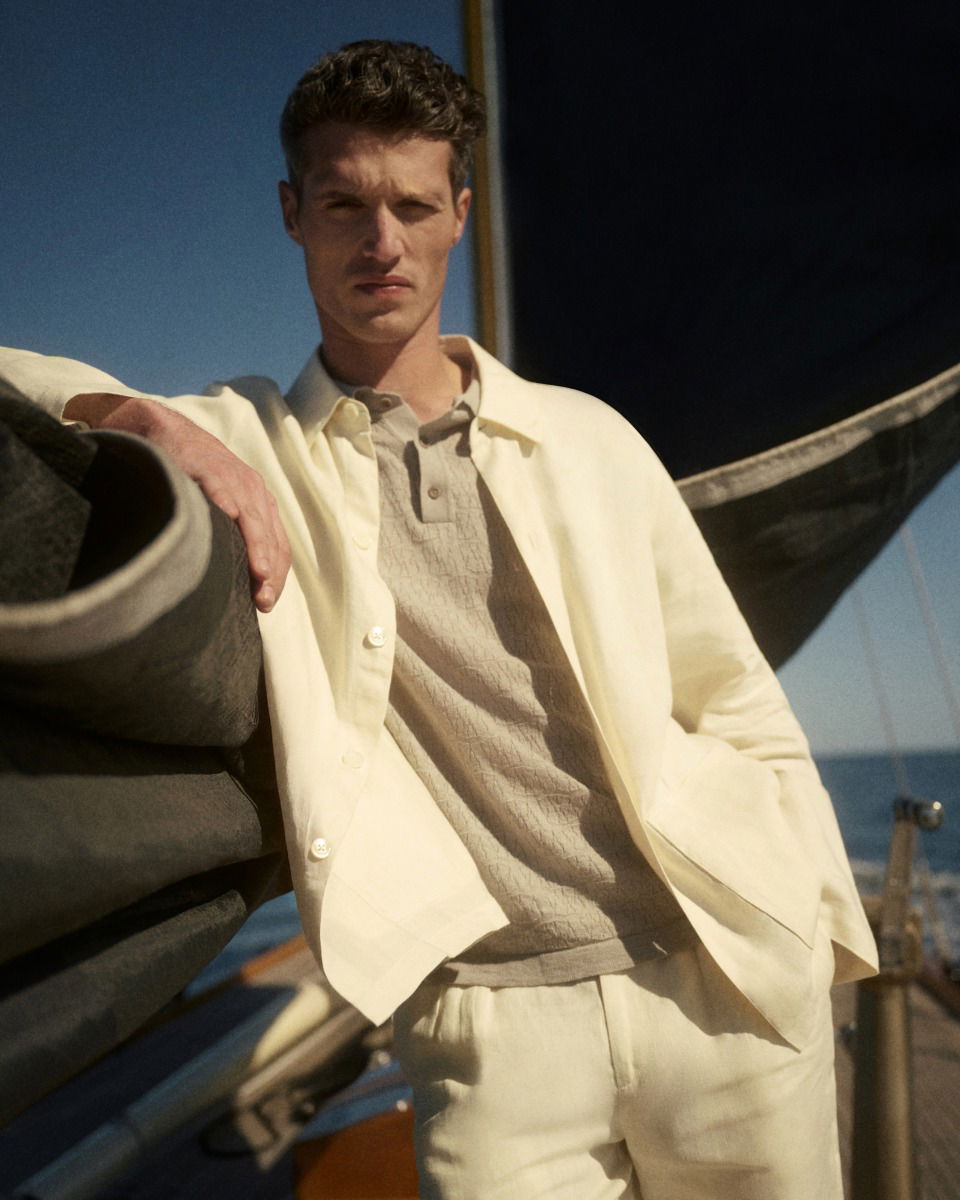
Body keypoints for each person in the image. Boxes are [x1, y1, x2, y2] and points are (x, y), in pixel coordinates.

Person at [0, 40, 877, 1199]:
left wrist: (815, 932)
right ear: (290, 215)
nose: (382, 242)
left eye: (414, 205)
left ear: (459, 213)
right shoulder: (253, 440)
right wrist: (128, 414)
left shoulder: (589, 437)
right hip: (492, 1039)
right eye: (344, 204)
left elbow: (732, 694)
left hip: (722, 989)